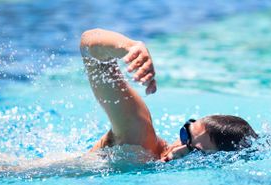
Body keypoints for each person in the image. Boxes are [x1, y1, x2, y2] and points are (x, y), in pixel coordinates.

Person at [80, 28, 257, 162]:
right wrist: (130, 47)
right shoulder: (139, 140)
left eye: (194, 151)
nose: (177, 149)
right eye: (184, 135)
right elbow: (88, 44)